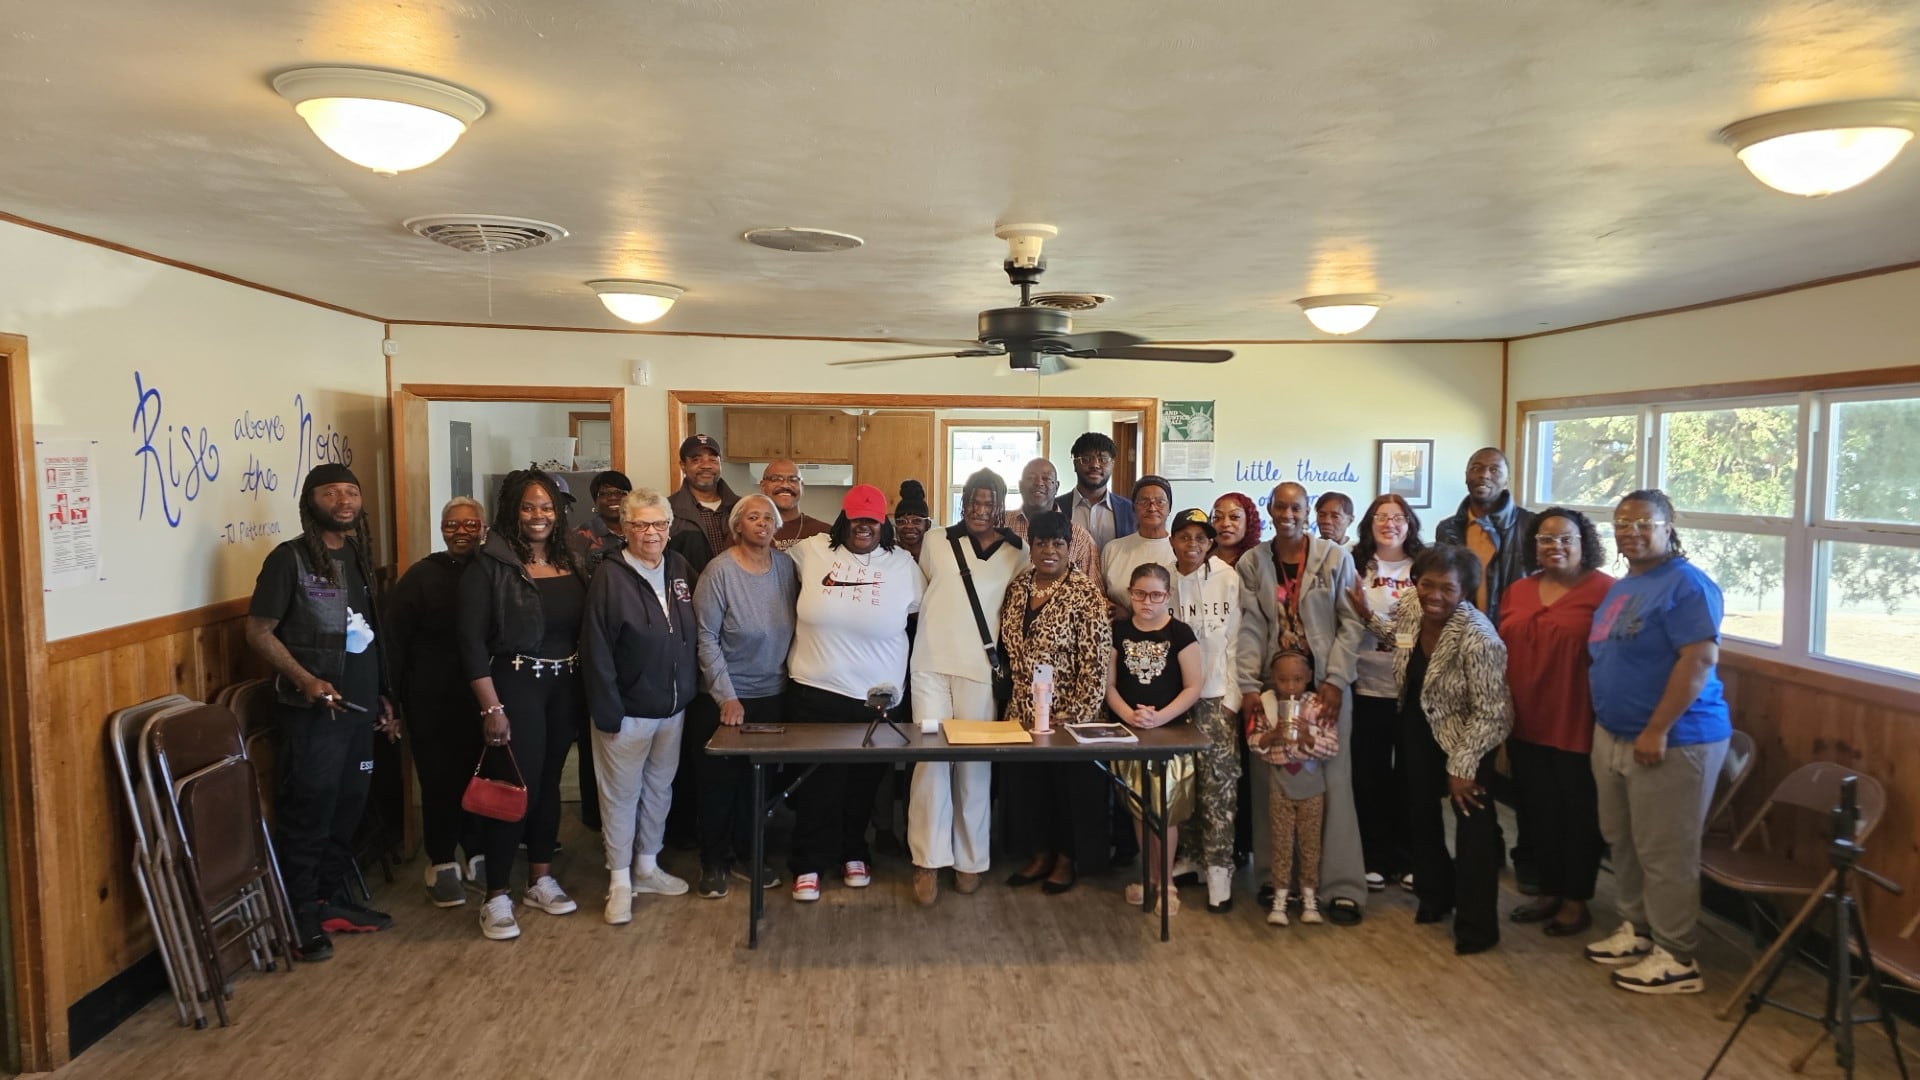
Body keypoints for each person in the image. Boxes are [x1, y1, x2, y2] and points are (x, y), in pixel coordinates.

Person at [244, 463, 400, 960]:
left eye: (351, 491)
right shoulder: (288, 559)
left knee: (349, 808)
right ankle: (299, 917)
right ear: (311, 501)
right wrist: (305, 679)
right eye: (331, 492)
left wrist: (384, 694)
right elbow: (259, 631)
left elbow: (368, 634)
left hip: (360, 708)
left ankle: (328, 900)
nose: (344, 500)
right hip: (315, 714)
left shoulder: (355, 554)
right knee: (310, 811)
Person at [1583, 489, 1731, 995]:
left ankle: (1676, 956)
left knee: (1665, 851)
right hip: (1615, 733)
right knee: (1623, 839)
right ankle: (1637, 928)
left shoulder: (1688, 585)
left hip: (1673, 740)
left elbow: (1699, 661)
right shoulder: (1626, 585)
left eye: (1644, 523)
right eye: (1622, 523)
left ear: (1669, 527)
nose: (1631, 532)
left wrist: (1657, 729)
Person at [1351, 544, 1512, 954]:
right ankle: (1435, 896)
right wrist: (1367, 615)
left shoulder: (1479, 638)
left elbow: (1492, 713)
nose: (1434, 595)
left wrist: (1461, 767)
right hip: (1418, 724)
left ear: (1465, 591)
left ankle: (1477, 927)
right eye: (1427, 584)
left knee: (1473, 832)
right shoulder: (1411, 605)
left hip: (1468, 738)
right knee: (1420, 817)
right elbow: (1401, 640)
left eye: (1447, 588)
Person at [458, 470, 589, 941]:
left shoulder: (572, 558)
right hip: (515, 686)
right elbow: (470, 643)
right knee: (515, 787)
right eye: (529, 507)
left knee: (549, 784)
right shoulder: (489, 565)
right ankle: (496, 894)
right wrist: (491, 707)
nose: (539, 516)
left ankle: (539, 878)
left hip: (565, 686)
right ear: (512, 511)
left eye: (547, 507)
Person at [783, 485, 925, 901]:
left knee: (863, 784)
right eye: (856, 518)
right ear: (843, 519)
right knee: (817, 784)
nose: (863, 526)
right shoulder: (812, 551)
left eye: (872, 520)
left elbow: (918, 614)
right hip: (815, 691)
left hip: (876, 698)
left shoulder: (903, 565)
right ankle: (809, 861)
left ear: (883, 524)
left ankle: (853, 852)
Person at [1236, 481, 1367, 925]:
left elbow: (1351, 624)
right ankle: (1274, 879)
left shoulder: (1335, 558)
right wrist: (1249, 686)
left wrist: (1336, 679)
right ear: (1269, 510)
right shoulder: (1254, 562)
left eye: (1297, 508)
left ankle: (1340, 886)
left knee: (1334, 781)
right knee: (1269, 780)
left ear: (1308, 512)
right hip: (1272, 685)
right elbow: (1250, 626)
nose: (1288, 514)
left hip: (1325, 686)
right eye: (1280, 507)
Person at [579, 488, 700, 925]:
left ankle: (647, 866)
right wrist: (607, 710)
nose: (651, 532)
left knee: (659, 790)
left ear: (670, 527)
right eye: (641, 524)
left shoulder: (679, 567)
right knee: (620, 797)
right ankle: (619, 881)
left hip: (673, 707)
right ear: (625, 528)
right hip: (626, 712)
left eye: (659, 524)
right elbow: (596, 650)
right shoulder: (609, 576)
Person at [907, 469, 1025, 905]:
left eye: (989, 503)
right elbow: (922, 593)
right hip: (930, 665)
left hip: (980, 669)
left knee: (975, 766)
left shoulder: (1017, 552)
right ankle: (927, 860)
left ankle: (970, 860)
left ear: (1001, 507)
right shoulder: (935, 540)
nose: (980, 509)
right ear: (963, 502)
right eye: (973, 501)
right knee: (930, 763)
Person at [1501, 508, 1612, 939]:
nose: (1556, 546)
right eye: (1546, 539)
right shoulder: (1518, 590)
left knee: (1578, 816)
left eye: (1566, 538)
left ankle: (1575, 900)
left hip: (1577, 720)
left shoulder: (1607, 592)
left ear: (1584, 543)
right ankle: (1549, 891)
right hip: (1525, 721)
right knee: (1536, 812)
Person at [1434, 446, 1538, 891]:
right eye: (1476, 467)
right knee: (1472, 756)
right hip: (1464, 653)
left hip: (1518, 653)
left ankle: (1531, 858)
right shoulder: (1449, 528)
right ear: (1465, 475)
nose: (1484, 475)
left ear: (1507, 477)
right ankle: (1486, 844)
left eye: (1494, 469)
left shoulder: (1531, 527)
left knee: (1526, 762)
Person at [1000, 511, 1113, 895]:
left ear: (1069, 547)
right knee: (1030, 789)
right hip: (1023, 713)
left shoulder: (1085, 593)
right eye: (1041, 543)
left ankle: (1066, 859)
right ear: (1030, 547)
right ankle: (1039, 854)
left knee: (1068, 792)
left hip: (1069, 715)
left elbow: (1096, 662)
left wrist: (1077, 715)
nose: (1049, 550)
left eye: (1057, 543)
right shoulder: (1019, 587)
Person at [690, 494, 797, 899]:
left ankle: (749, 855)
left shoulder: (785, 566)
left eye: (769, 517)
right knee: (719, 785)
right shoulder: (718, 572)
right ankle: (713, 860)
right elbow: (705, 637)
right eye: (753, 517)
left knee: (758, 785)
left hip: (773, 693)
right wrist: (726, 697)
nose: (763, 523)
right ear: (737, 526)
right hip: (726, 698)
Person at [386, 496, 487, 908]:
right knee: (440, 781)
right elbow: (394, 643)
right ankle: (442, 860)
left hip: (484, 698)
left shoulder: (493, 570)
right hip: (431, 699)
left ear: (483, 528)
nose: (461, 531)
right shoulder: (420, 577)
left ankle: (478, 852)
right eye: (452, 525)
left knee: (481, 776)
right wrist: (391, 700)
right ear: (442, 529)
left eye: (470, 524)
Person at [1107, 563, 1202, 914]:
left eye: (1156, 595)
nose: (1147, 602)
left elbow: (1193, 685)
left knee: (1166, 811)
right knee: (1139, 808)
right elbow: (1109, 684)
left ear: (1168, 596)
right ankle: (1149, 878)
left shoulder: (1180, 633)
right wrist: (1128, 714)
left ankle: (1167, 884)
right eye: (1140, 594)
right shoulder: (1118, 631)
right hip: (1130, 731)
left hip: (1169, 732)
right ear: (1130, 593)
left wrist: (1161, 717)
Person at [1348, 494, 1425, 892]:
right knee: (1369, 776)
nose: (1389, 523)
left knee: (1411, 777)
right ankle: (1374, 857)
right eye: (1381, 516)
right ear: (1369, 522)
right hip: (1364, 686)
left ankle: (1410, 858)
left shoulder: (1423, 565)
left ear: (1409, 523)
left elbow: (1415, 634)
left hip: (1411, 690)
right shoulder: (1354, 562)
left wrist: (1373, 618)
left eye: (1398, 517)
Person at [1166, 508, 1241, 913]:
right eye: (1184, 537)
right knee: (1185, 781)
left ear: (1210, 543)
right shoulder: (1163, 579)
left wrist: (1233, 699)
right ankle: (1192, 856)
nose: (1192, 545)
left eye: (1200, 538)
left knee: (1218, 785)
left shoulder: (1228, 578)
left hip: (1216, 697)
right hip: (1175, 700)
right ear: (1172, 541)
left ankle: (1219, 867)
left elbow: (1238, 641)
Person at [1252, 651, 1337, 927]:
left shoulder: (1317, 705)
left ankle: (1309, 897)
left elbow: (1331, 746)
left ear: (1309, 677)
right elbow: (1254, 742)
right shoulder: (1268, 705)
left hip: (1312, 787)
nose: (1290, 687)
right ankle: (1280, 897)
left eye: (1297, 679)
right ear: (1273, 678)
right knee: (1281, 843)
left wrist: (1307, 739)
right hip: (1280, 786)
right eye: (1283, 680)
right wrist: (1272, 735)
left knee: (1310, 844)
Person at [1006, 457, 1100, 580]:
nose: (1039, 483)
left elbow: (1092, 589)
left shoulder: (1080, 537)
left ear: (1056, 487)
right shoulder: (1000, 524)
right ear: (1020, 485)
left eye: (1046, 478)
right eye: (1031, 478)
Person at [1100, 474, 1177, 615]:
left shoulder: (1180, 549)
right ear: (1133, 507)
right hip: (1120, 627)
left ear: (1169, 507)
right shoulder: (1112, 549)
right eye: (1144, 501)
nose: (1152, 508)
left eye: (1160, 502)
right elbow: (1100, 597)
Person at [667, 434, 738, 572]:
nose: (706, 465)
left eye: (713, 460)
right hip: (690, 585)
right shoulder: (667, 511)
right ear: (683, 465)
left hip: (737, 584)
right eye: (696, 460)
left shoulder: (741, 507)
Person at [1056, 432, 1136, 553]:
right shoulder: (1055, 508)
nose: (1095, 465)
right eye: (1086, 459)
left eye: (1103, 459)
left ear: (1112, 464)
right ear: (1075, 464)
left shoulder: (1130, 510)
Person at [760, 458, 831, 550]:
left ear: (802, 486)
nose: (785, 485)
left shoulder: (824, 532)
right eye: (776, 479)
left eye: (793, 479)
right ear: (763, 486)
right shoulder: (750, 533)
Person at [569, 469, 632, 569]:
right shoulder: (580, 536)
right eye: (604, 494)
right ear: (595, 502)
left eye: (620, 492)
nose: (613, 498)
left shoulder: (642, 529)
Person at [1211, 492, 1262, 568]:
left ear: (1249, 522)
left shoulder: (1260, 560)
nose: (1225, 524)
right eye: (1217, 517)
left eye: (1234, 517)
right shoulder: (1200, 556)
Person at [892, 480, 931, 561]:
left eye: (916, 521)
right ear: (896, 526)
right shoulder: (889, 555)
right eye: (902, 521)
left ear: (928, 525)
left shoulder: (936, 555)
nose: (909, 526)